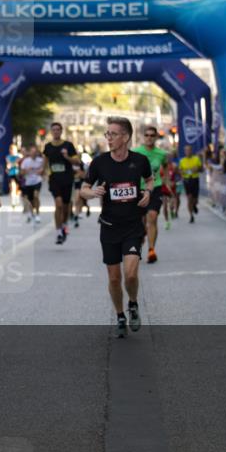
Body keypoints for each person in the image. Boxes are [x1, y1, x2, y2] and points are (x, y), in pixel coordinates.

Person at [79, 117, 153, 338]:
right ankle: (120, 314)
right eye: (107, 134)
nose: (108, 138)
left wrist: (148, 192)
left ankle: (132, 303)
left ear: (126, 137)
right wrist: (93, 193)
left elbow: (149, 180)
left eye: (113, 134)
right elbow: (83, 189)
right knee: (114, 278)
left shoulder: (140, 161)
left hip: (133, 226)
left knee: (130, 275)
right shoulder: (99, 162)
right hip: (109, 227)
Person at [132, 126, 168, 263]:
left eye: (152, 135)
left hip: (155, 188)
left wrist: (167, 184)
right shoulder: (135, 152)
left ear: (156, 137)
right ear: (142, 136)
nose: (149, 138)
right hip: (138, 190)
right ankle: (142, 236)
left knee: (152, 217)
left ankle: (151, 250)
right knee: (141, 223)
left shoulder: (161, 154)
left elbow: (165, 167)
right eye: (146, 135)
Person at [42, 122, 80, 245]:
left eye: (58, 129)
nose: (56, 132)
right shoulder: (48, 147)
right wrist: (46, 173)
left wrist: (67, 157)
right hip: (54, 180)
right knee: (58, 204)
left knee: (65, 207)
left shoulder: (68, 145)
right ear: (51, 132)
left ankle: (64, 224)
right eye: (54, 130)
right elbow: (45, 163)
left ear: (61, 131)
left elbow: (77, 162)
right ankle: (59, 232)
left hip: (67, 179)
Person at [18, 145, 44, 223]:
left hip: (37, 181)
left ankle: (38, 214)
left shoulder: (41, 160)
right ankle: (31, 213)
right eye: (32, 152)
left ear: (37, 153)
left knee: (36, 196)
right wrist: (26, 170)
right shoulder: (26, 161)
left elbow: (44, 170)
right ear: (30, 153)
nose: (34, 154)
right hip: (28, 182)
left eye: (35, 152)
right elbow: (21, 173)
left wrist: (41, 171)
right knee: (30, 200)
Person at [179, 145, 202, 222]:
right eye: (186, 150)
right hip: (187, 180)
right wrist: (183, 173)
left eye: (189, 150)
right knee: (189, 198)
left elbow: (200, 168)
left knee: (195, 199)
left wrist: (197, 169)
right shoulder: (182, 161)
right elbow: (180, 171)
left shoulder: (196, 159)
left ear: (191, 151)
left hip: (195, 179)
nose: (187, 152)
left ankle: (194, 205)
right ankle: (191, 215)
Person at [4, 143, 22, 209]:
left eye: (14, 149)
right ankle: (13, 202)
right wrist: (9, 166)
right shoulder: (8, 157)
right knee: (12, 188)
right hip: (11, 174)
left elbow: (19, 161)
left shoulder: (19, 156)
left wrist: (12, 165)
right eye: (11, 149)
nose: (12, 151)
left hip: (18, 174)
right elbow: (8, 165)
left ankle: (17, 199)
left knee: (18, 190)